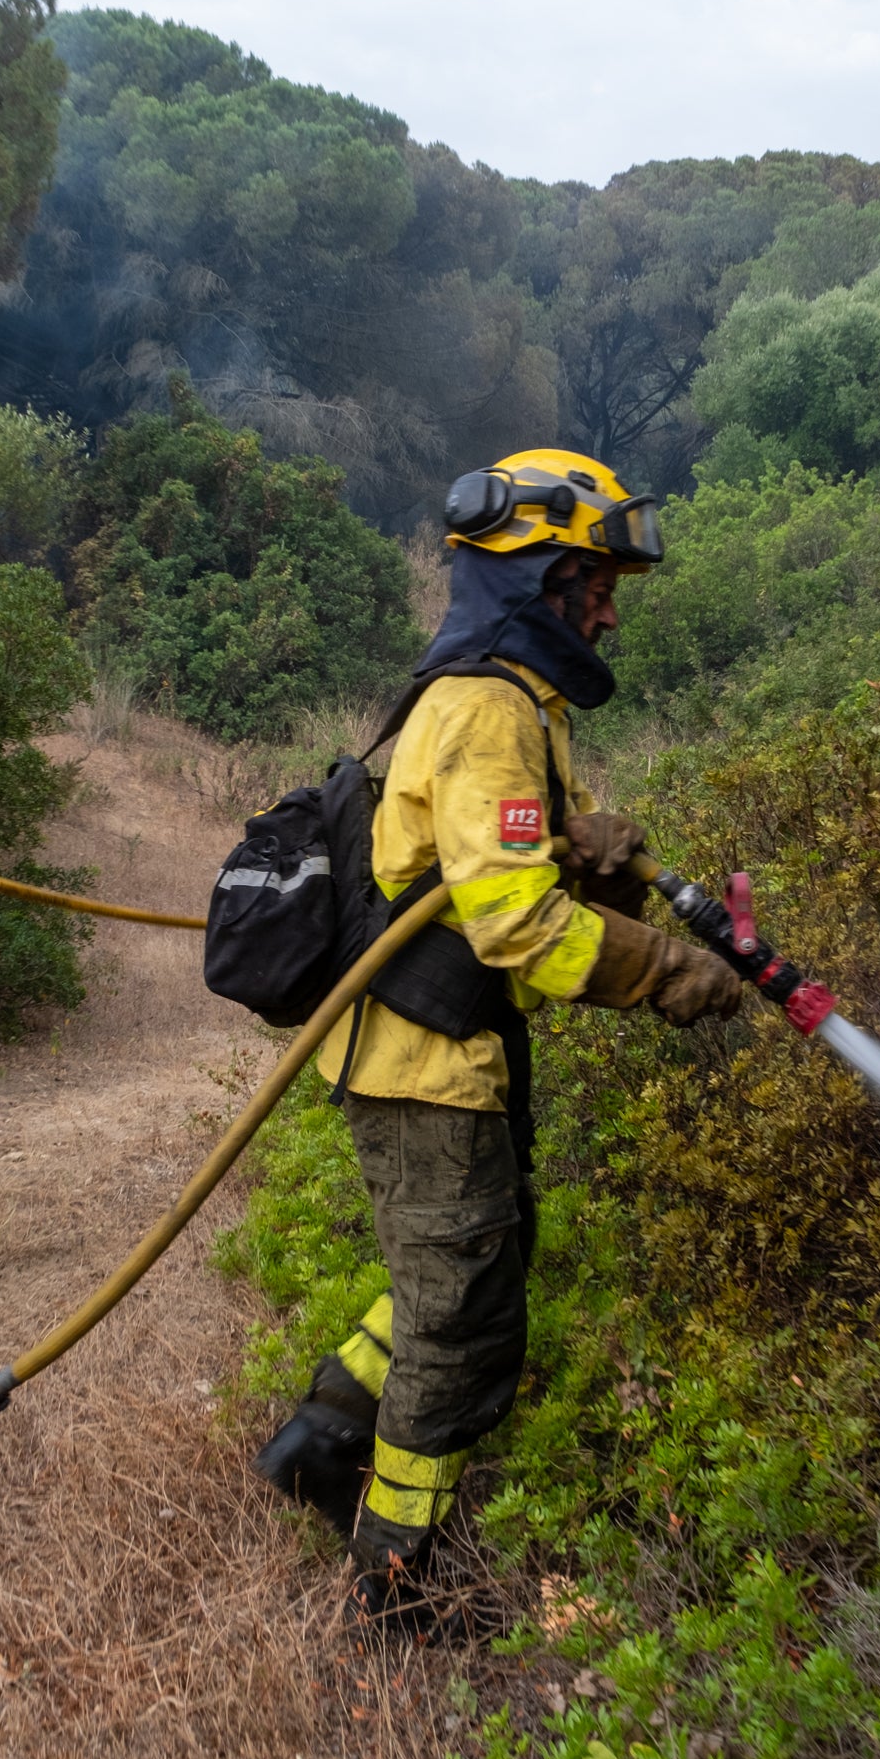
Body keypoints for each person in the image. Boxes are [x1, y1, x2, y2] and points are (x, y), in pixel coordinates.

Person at [250, 448, 742, 1630]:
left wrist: (581, 851)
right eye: (596, 585)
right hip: (424, 1065)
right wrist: (672, 970)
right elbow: (516, 927)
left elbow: (491, 871)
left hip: (446, 1055)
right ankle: (395, 1584)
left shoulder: (513, 702)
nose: (610, 612)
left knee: (462, 1286)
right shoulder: (485, 709)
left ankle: (318, 1445)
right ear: (537, 578)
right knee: (457, 1319)